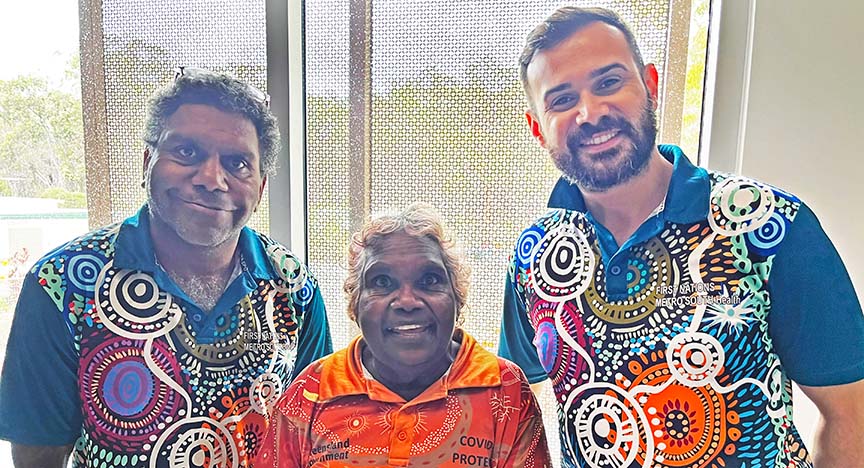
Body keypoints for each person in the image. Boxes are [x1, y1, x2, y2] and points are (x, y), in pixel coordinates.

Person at [498, 6, 864, 468]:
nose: (590, 113)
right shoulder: (534, 256)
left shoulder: (769, 225)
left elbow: (852, 412)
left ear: (650, 85)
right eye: (562, 100)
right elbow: (510, 408)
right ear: (537, 128)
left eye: (609, 82)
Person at [0, 68, 333, 467]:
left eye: (238, 163)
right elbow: (38, 452)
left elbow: (313, 433)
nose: (212, 179)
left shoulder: (294, 288)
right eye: (187, 152)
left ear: (260, 189)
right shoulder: (63, 283)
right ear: (147, 163)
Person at [256, 204, 551, 468]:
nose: (407, 301)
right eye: (382, 282)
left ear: (457, 298)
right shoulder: (310, 393)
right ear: (355, 303)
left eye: (429, 280)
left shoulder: (506, 391)